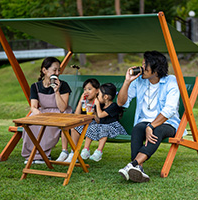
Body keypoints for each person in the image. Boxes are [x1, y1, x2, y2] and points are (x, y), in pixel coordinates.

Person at [117, 51, 186, 182]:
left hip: (168, 123)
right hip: (145, 122)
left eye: (145, 65)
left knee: (157, 130)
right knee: (138, 128)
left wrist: (151, 125)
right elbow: (121, 103)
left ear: (156, 69)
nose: (142, 68)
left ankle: (132, 165)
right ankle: (138, 169)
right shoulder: (139, 81)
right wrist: (127, 82)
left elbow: (170, 109)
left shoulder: (170, 81)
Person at [21, 57, 72, 164]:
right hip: (43, 111)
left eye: (59, 70)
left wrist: (56, 91)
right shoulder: (35, 86)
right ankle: (31, 155)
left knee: (48, 125)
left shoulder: (63, 85)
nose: (57, 73)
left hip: (60, 113)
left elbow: (62, 108)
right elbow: (33, 107)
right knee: (29, 124)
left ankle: (43, 156)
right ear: (44, 70)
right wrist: (38, 114)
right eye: (54, 70)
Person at [77, 83, 128, 162]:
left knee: (104, 128)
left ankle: (98, 152)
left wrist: (97, 105)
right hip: (102, 126)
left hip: (113, 128)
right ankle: (86, 149)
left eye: (99, 95)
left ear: (106, 97)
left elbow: (101, 115)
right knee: (91, 126)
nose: (97, 97)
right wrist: (93, 112)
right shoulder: (102, 106)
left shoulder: (113, 106)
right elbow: (98, 120)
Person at [56, 78, 100, 162]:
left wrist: (93, 113)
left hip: (92, 124)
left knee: (73, 128)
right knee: (65, 126)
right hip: (82, 123)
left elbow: (99, 119)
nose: (86, 91)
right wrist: (81, 101)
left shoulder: (98, 102)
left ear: (97, 91)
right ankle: (64, 152)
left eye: (89, 89)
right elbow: (76, 115)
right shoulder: (84, 101)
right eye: (85, 89)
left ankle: (74, 153)